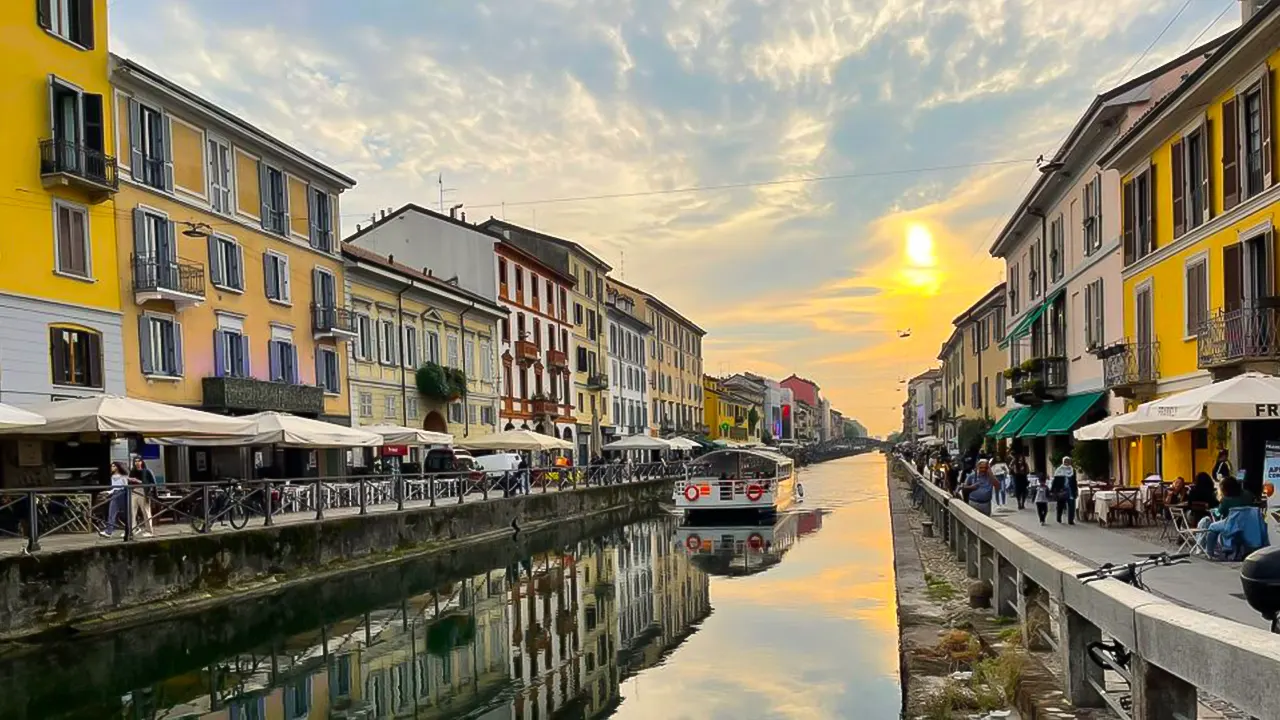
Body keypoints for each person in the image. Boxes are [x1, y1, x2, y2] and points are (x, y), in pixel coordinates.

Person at [1197, 476, 1256, 558]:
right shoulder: (1248, 494)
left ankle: (1209, 552)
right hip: (1248, 523)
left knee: (1212, 527)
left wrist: (1215, 510)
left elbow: (1218, 514)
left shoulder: (1226, 500)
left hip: (1231, 524)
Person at [99, 462, 133, 538]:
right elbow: (114, 488)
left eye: (113, 466)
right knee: (112, 512)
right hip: (115, 493)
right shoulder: (113, 476)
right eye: (111, 466)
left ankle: (130, 529)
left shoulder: (123, 476)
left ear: (117, 467)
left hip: (121, 494)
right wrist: (108, 492)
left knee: (123, 514)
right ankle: (109, 531)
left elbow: (125, 487)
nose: (112, 467)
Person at [130, 457, 156, 537]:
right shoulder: (132, 471)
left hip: (143, 491)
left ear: (142, 462)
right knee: (132, 512)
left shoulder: (147, 471)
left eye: (139, 461)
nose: (137, 463)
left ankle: (149, 531)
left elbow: (153, 483)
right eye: (135, 461)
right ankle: (133, 530)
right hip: (133, 491)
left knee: (145, 511)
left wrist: (139, 481)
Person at [1050, 456, 1078, 525]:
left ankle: (1070, 520)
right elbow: (1055, 481)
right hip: (1062, 490)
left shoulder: (1072, 470)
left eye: (1068, 461)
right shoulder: (1059, 470)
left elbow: (1074, 481)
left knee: (1071, 505)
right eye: (1065, 461)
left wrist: (1075, 490)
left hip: (1070, 490)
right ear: (1063, 462)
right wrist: (1053, 490)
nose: (1067, 463)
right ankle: (1059, 517)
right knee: (1060, 505)